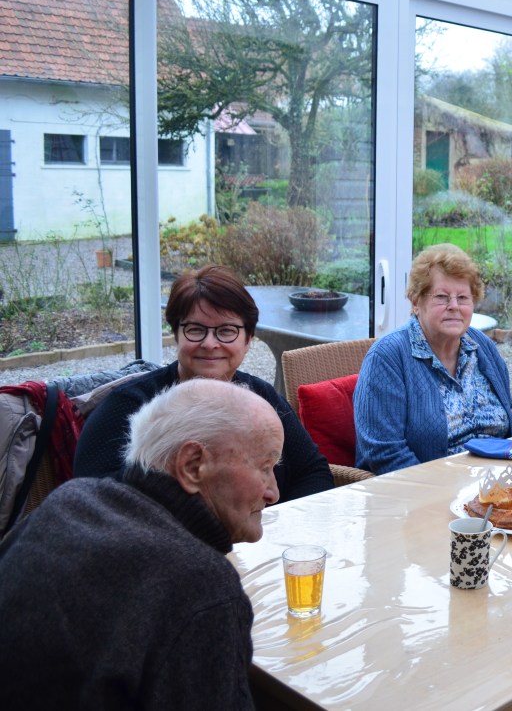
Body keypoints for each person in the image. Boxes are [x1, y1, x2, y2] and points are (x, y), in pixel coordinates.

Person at [0, 378, 283, 709]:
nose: (273, 493)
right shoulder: (199, 585)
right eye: (265, 468)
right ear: (192, 465)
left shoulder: (67, 502)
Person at [74, 264, 332, 501]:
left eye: (226, 331)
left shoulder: (261, 398)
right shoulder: (129, 406)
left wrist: (273, 529)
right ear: (176, 334)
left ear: (248, 339)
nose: (209, 343)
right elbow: (92, 498)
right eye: (195, 329)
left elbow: (313, 472)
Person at [355, 243, 512, 473]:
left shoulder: (482, 346)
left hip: (497, 485)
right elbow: (384, 452)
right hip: (423, 493)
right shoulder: (387, 358)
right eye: (442, 297)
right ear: (416, 302)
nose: (454, 306)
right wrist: (443, 494)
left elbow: (510, 421)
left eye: (463, 297)